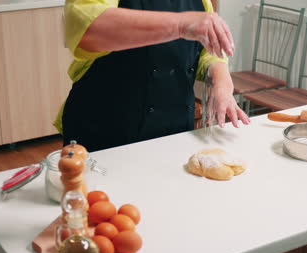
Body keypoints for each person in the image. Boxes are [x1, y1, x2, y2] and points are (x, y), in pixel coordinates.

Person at [55, 0, 250, 152]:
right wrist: (181, 24)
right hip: (107, 135)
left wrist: (221, 82)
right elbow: (88, 28)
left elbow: (208, 47)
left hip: (175, 132)